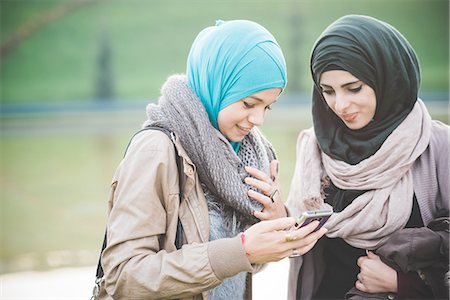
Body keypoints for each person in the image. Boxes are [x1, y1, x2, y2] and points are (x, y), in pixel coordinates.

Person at [97, 20, 327, 299]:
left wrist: (277, 223)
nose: (258, 120)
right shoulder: (156, 150)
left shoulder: (250, 153)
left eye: (267, 106)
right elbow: (124, 276)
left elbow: (242, 266)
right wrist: (241, 250)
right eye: (248, 104)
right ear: (217, 83)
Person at [286, 15, 449, 300]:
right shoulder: (315, 146)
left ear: (389, 78)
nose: (340, 105)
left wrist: (406, 285)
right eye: (328, 91)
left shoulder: (437, 147)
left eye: (354, 88)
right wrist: (280, 219)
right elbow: (300, 242)